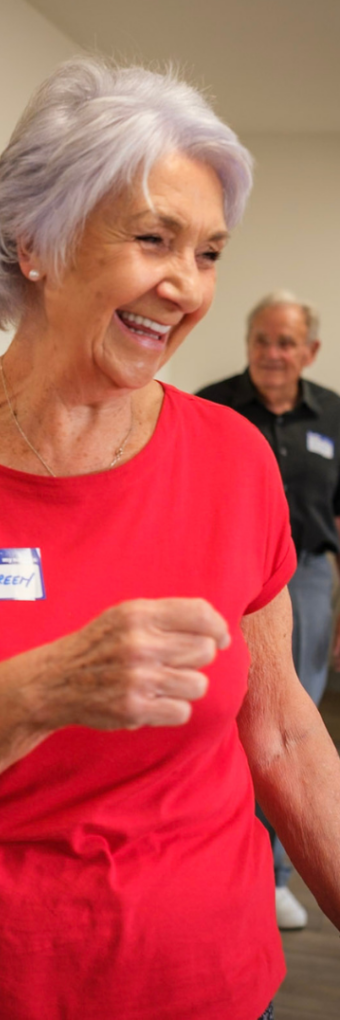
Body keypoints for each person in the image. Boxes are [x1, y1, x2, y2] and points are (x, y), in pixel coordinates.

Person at [0, 59, 340, 1020]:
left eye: (211, 253)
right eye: (154, 240)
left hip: (200, 982)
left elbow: (285, 736)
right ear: (34, 241)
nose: (185, 286)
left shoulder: (233, 459)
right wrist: (51, 686)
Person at [198, 292, 340, 930]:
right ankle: (226, 863)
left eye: (286, 343)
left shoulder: (333, 415)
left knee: (289, 718)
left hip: (306, 577)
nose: (273, 354)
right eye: (262, 340)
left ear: (309, 351)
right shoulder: (212, 406)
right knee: (219, 721)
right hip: (219, 579)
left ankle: (273, 874)